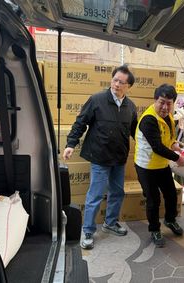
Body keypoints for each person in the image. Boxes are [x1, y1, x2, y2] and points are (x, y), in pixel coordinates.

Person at [63, 65, 138, 250]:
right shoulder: (97, 100)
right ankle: (88, 230)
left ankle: (110, 223)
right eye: (115, 80)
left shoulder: (131, 107)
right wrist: (71, 144)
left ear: (128, 86)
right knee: (95, 194)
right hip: (100, 156)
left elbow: (136, 131)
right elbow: (80, 122)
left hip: (119, 157)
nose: (116, 84)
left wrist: (151, 147)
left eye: (121, 82)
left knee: (117, 192)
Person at [134, 84, 184, 248]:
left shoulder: (169, 117)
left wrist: (174, 144)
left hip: (162, 165)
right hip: (146, 166)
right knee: (153, 199)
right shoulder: (148, 119)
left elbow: (168, 138)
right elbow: (157, 146)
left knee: (171, 194)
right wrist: (177, 158)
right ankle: (154, 229)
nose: (165, 107)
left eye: (169, 103)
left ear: (173, 104)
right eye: (161, 102)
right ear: (155, 100)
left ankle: (170, 220)